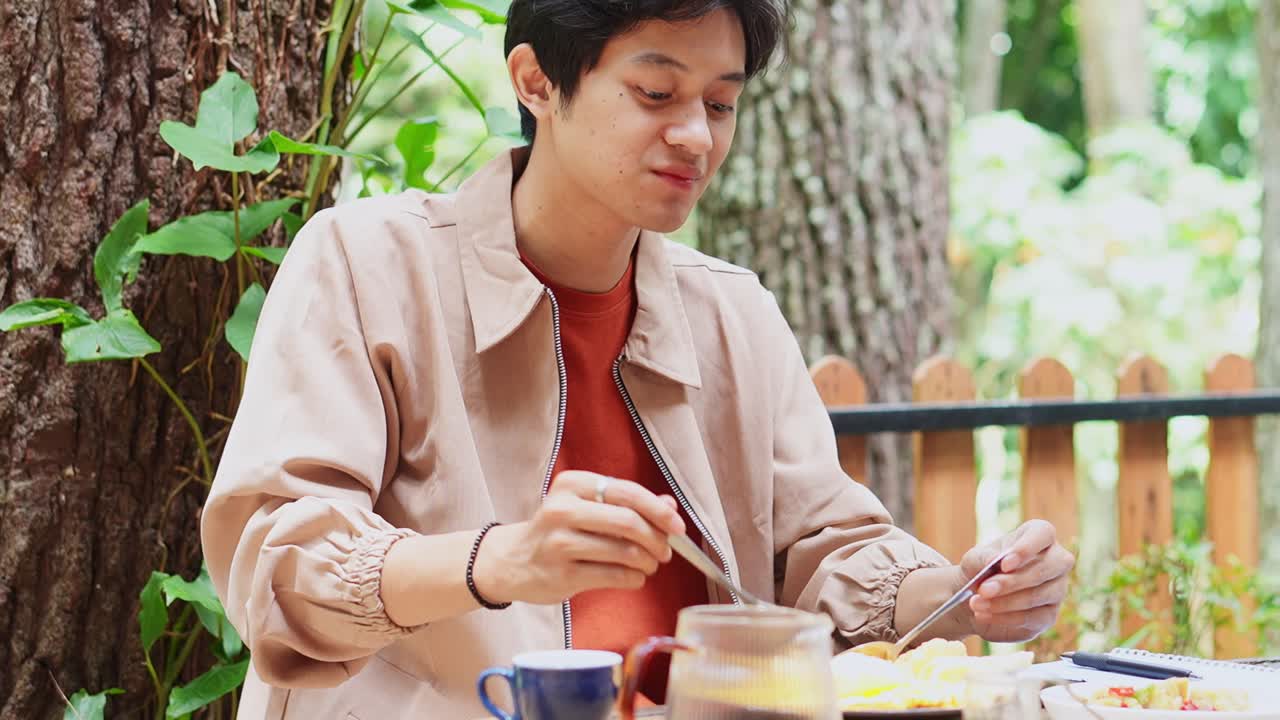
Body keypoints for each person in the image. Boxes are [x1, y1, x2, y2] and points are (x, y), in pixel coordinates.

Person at [201, 1, 1076, 717]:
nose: (696, 135)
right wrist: (499, 561)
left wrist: (960, 594)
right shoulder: (366, 266)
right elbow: (279, 564)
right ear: (537, 82)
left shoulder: (730, 311)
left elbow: (823, 547)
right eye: (657, 92)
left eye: (721, 102)